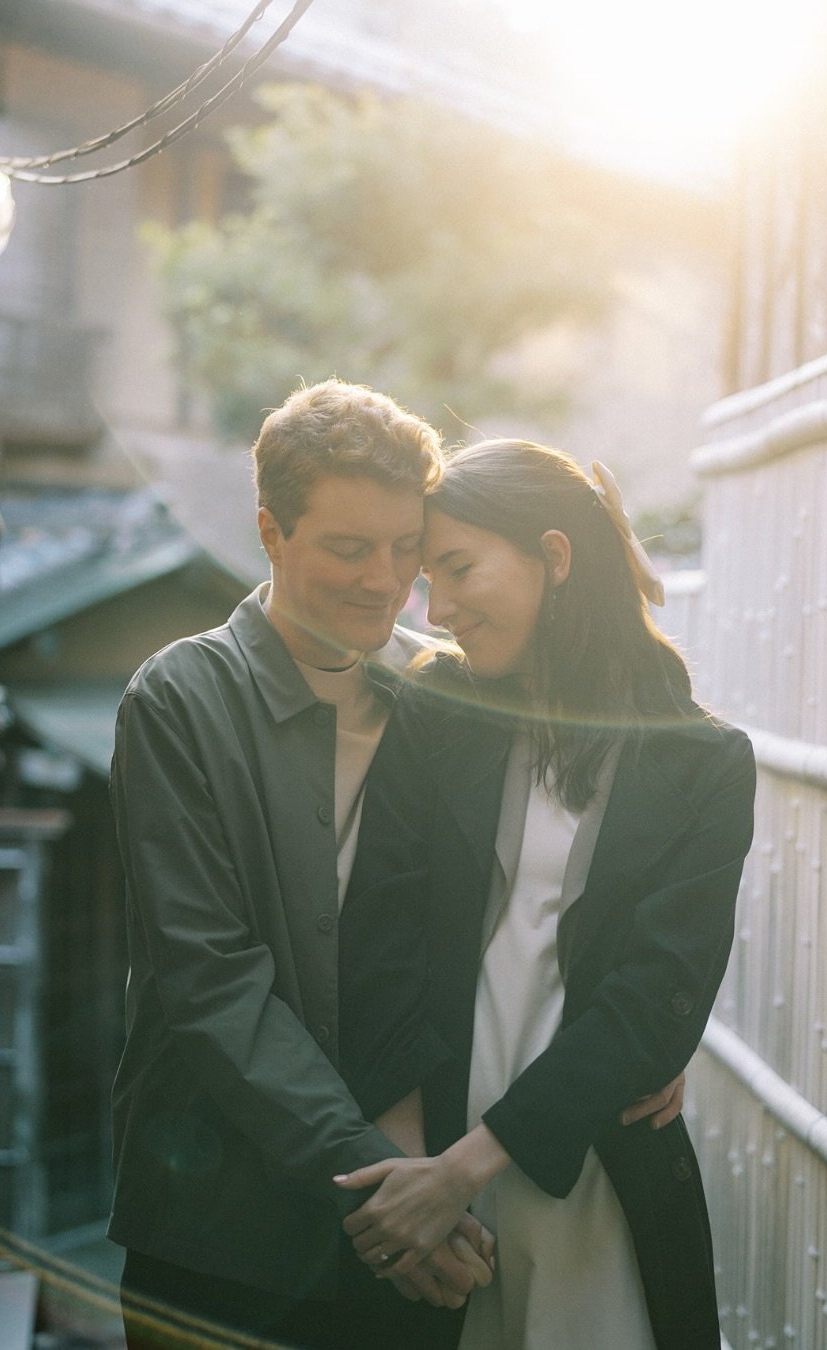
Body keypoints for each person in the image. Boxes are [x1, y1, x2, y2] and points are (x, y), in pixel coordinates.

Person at [336, 440, 756, 1349]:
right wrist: (418, 1176)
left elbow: (654, 999)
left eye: (457, 568)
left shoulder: (704, 764)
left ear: (555, 558)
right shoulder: (438, 707)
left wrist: (467, 1167)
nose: (436, 607)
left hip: (596, 1185)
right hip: (435, 1190)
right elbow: (381, 935)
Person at [108, 379, 492, 1350]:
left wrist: (641, 1047)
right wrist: (386, 1191)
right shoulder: (181, 699)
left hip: (414, 1213)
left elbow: (540, 891)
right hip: (223, 1230)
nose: (386, 580)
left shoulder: (444, 697)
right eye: (349, 548)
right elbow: (214, 986)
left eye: (407, 549)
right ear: (272, 534)